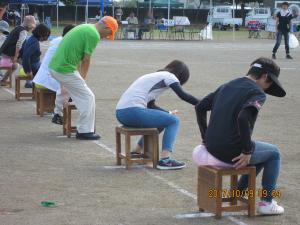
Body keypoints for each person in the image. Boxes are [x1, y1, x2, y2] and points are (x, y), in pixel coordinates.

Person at [195, 57, 285, 215]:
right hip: (230, 151)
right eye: (270, 83)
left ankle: (237, 193)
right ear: (265, 76)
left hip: (210, 147)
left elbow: (200, 106)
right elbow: (243, 117)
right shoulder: (257, 92)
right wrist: (246, 150)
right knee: (274, 153)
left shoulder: (227, 85)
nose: (267, 88)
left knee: (261, 152)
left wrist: (205, 136)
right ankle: (267, 202)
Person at [116, 60, 200, 170]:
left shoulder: (153, 76)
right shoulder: (170, 76)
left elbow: (151, 105)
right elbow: (183, 95)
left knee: (163, 122)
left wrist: (167, 114)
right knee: (174, 121)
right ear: (180, 75)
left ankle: (137, 151)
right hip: (133, 111)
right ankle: (166, 159)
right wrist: (204, 103)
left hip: (122, 113)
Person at [49, 16, 118, 140]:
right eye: (109, 33)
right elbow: (86, 59)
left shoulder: (85, 27)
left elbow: (78, 56)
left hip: (57, 67)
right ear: (106, 27)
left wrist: (79, 79)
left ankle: (58, 112)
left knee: (74, 91)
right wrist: (82, 79)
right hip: (64, 69)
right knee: (88, 97)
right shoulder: (93, 34)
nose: (107, 36)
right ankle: (84, 131)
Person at [33, 25, 76, 125]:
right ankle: (58, 113)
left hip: (42, 76)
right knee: (71, 88)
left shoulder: (58, 40)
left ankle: (59, 111)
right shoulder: (65, 43)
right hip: (48, 78)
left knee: (69, 86)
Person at [0, 15, 36, 86]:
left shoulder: (17, 28)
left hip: (4, 52)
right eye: (32, 26)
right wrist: (16, 57)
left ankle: (3, 80)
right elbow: (19, 45)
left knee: (15, 65)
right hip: (10, 53)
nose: (32, 28)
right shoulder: (23, 32)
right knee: (29, 64)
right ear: (29, 25)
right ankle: (31, 82)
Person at [21, 23, 50, 88]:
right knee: (49, 71)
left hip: (34, 64)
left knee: (43, 64)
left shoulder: (32, 39)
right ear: (41, 33)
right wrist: (28, 71)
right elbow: (26, 56)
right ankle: (32, 83)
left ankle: (30, 82)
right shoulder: (34, 42)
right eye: (46, 35)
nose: (46, 38)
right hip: (33, 66)